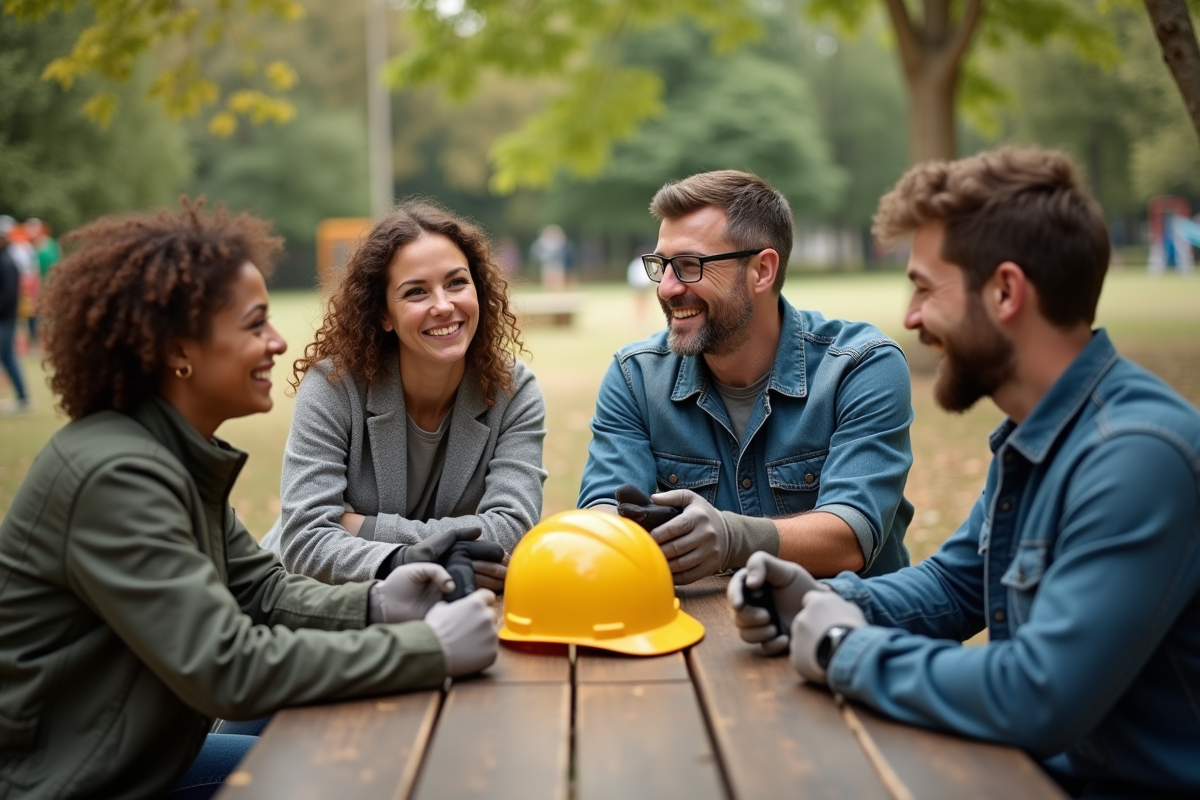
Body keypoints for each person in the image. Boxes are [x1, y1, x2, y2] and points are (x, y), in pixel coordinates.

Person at [729, 148, 1200, 798]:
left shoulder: (1137, 457)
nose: (912, 317)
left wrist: (845, 648)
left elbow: (1038, 694)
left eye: (924, 287)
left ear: (1006, 291)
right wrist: (824, 599)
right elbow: (956, 588)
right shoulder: (1040, 437)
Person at [0, 201, 500, 800]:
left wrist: (377, 603)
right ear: (179, 351)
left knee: (346, 751)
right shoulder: (116, 475)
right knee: (347, 772)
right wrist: (427, 648)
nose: (278, 341)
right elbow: (228, 668)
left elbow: (262, 591)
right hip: (72, 778)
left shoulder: (170, 455)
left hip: (139, 754)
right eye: (255, 323)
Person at [579, 170, 915, 584]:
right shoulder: (636, 377)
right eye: (661, 266)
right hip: (694, 636)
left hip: (850, 633)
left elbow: (851, 535)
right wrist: (609, 531)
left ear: (762, 270)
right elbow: (603, 510)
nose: (666, 288)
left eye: (688, 265)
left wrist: (731, 537)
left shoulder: (860, 366)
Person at [261, 200, 546, 586]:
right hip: (315, 608)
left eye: (457, 282)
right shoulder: (333, 386)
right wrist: (405, 558)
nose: (443, 305)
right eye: (416, 292)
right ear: (383, 314)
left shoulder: (513, 389)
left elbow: (512, 529)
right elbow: (305, 541)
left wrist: (362, 527)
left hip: (447, 607)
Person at [0, 215, 30, 413]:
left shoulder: (7, 261)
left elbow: (9, 293)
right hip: (5, 316)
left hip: (5, 317)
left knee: (7, 356)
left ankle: (23, 398)